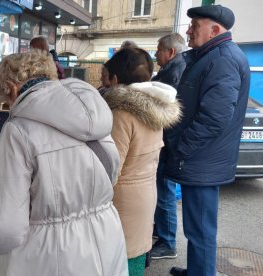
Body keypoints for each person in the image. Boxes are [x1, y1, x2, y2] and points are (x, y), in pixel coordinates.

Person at [0, 50, 128, 276]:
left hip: (47, 254)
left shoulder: (18, 130)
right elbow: (111, 171)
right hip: (106, 239)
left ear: (11, 88)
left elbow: (5, 230)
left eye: (7, 100)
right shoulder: (94, 112)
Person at [163, 5, 250, 276]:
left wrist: (181, 148)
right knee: (196, 227)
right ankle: (197, 270)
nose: (188, 30)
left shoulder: (222, 59)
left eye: (195, 25)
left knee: (200, 229)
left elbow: (214, 117)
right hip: (202, 159)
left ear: (215, 30)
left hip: (202, 160)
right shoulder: (211, 55)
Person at [102, 47, 181, 276]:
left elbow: (110, 168)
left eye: (107, 78)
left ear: (116, 79)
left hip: (122, 202)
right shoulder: (152, 109)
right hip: (145, 196)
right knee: (134, 260)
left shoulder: (121, 114)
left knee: (118, 262)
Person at [150, 33, 187, 260]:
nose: (156, 54)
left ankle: (168, 242)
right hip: (168, 143)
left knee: (165, 193)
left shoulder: (174, 72)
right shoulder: (175, 69)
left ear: (170, 52)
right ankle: (161, 231)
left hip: (169, 144)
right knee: (162, 191)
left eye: (159, 49)